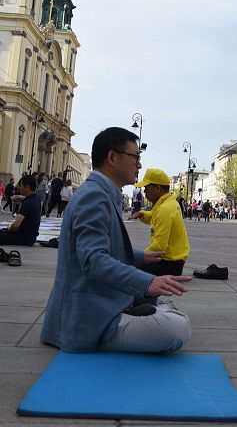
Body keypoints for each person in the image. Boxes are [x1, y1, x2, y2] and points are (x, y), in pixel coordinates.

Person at [41, 127, 191, 353]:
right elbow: (93, 260)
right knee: (178, 329)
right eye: (135, 157)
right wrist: (147, 283)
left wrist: (141, 256)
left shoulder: (100, 192)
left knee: (167, 315)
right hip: (87, 318)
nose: (139, 165)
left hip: (95, 304)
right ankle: (155, 304)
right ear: (112, 157)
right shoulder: (94, 196)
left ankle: (151, 304)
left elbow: (100, 249)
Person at [129, 168, 190, 277]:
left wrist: (139, 256)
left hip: (168, 264)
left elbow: (159, 246)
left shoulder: (164, 209)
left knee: (127, 271)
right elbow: (154, 215)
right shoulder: (169, 202)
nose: (144, 191)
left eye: (146, 188)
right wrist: (143, 214)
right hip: (175, 261)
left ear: (157, 188)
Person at [0, 175, 40, 246]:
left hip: (22, 238)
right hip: (30, 237)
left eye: (21, 186)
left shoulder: (27, 204)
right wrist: (22, 197)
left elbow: (15, 226)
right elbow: (29, 198)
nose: (19, 188)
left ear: (27, 187)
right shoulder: (36, 200)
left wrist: (9, 228)